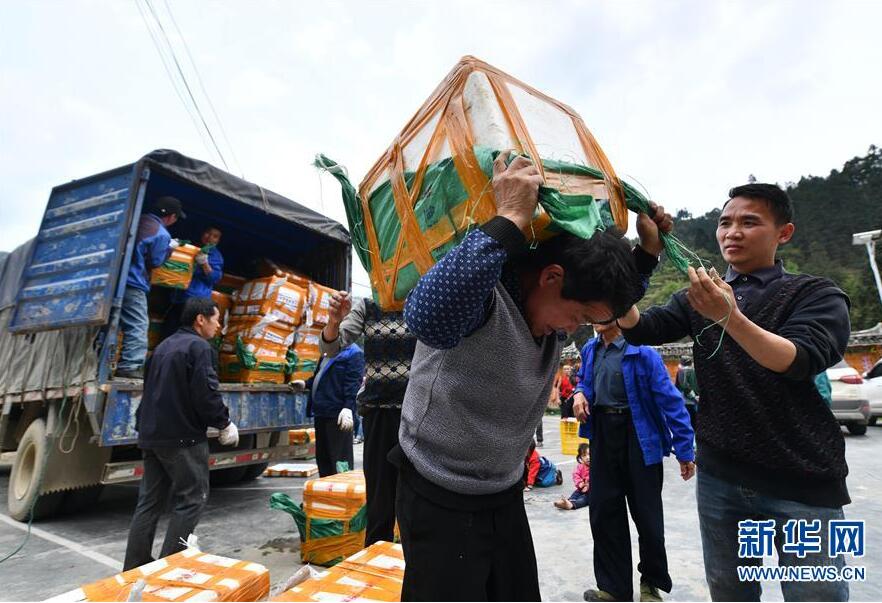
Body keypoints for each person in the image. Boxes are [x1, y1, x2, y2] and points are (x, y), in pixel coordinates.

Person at [393, 151, 673, 601]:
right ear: (551, 277)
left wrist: (647, 254)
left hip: (503, 487)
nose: (574, 330)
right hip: (439, 486)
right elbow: (424, 317)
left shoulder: (557, 307)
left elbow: (607, 303)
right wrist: (509, 217)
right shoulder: (483, 292)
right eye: (577, 316)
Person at [616, 183, 852, 601]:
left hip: (802, 482)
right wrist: (645, 255)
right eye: (725, 223)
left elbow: (797, 358)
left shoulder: (815, 294)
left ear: (784, 233)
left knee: (815, 595)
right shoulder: (698, 298)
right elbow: (635, 328)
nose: (732, 232)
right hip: (722, 479)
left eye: (749, 222)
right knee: (730, 592)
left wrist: (729, 316)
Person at [573, 320, 695, 602]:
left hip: (639, 435)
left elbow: (670, 401)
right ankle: (613, 588)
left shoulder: (643, 353)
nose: (594, 316)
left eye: (602, 308)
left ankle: (651, 585)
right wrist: (580, 393)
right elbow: (585, 382)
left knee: (647, 514)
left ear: (618, 315)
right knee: (604, 511)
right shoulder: (591, 349)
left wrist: (685, 450)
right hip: (603, 432)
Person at [123, 297, 239, 570]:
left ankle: (134, 566)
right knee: (191, 499)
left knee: (149, 503)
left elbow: (149, 391)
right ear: (201, 319)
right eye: (216, 319)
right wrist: (223, 422)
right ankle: (169, 567)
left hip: (152, 436)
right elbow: (205, 393)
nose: (219, 326)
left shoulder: (162, 347)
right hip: (183, 438)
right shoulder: (199, 347)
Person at [319, 292, 417, 545]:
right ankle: (375, 566)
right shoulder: (369, 304)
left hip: (419, 415)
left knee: (416, 504)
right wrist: (333, 321)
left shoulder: (425, 296)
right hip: (379, 413)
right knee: (380, 502)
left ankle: (415, 573)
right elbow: (330, 347)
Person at [117, 196, 185, 379]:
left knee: (115, 322)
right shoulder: (162, 234)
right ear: (171, 217)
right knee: (139, 324)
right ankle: (130, 365)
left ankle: (107, 361)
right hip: (134, 281)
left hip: (116, 281)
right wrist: (170, 249)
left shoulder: (136, 220)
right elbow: (155, 261)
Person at [300, 342, 365, 477]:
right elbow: (318, 377)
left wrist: (348, 407)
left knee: (339, 459)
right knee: (323, 459)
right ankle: (326, 494)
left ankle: (342, 493)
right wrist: (305, 384)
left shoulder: (353, 353)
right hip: (321, 412)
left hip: (338, 414)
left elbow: (353, 384)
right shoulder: (327, 352)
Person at [162, 226, 224, 340]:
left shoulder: (214, 255)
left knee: (185, 334)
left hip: (195, 301)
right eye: (208, 233)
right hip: (178, 298)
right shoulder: (191, 249)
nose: (210, 237)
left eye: (215, 236)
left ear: (217, 241)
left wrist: (204, 263)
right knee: (169, 331)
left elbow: (215, 278)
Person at [554, 442, 590, 510]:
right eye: (584, 455)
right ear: (580, 457)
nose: (587, 457)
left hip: (591, 491)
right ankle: (568, 501)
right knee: (575, 494)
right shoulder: (580, 467)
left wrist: (588, 485)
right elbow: (575, 475)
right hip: (581, 488)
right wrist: (579, 483)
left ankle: (571, 505)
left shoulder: (596, 466)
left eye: (589, 454)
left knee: (584, 499)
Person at [675, 355, 698, 432]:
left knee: (689, 422)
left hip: (687, 400)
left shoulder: (681, 371)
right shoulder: (696, 369)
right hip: (697, 399)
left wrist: (693, 397)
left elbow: (683, 386)